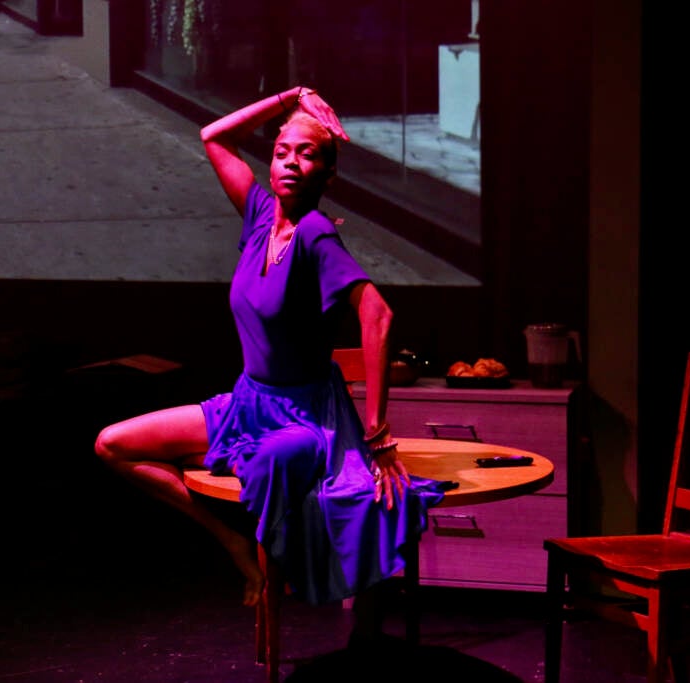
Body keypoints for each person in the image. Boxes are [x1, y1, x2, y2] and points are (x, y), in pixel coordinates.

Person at [93, 86, 450, 625]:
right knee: (112, 445)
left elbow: (378, 316)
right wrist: (289, 99)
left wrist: (376, 432)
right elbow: (214, 137)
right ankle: (235, 545)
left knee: (265, 466)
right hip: (245, 404)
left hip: (304, 417)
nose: (290, 162)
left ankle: (273, 562)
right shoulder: (261, 214)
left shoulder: (315, 233)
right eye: (282, 151)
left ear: (327, 173)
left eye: (307, 154)